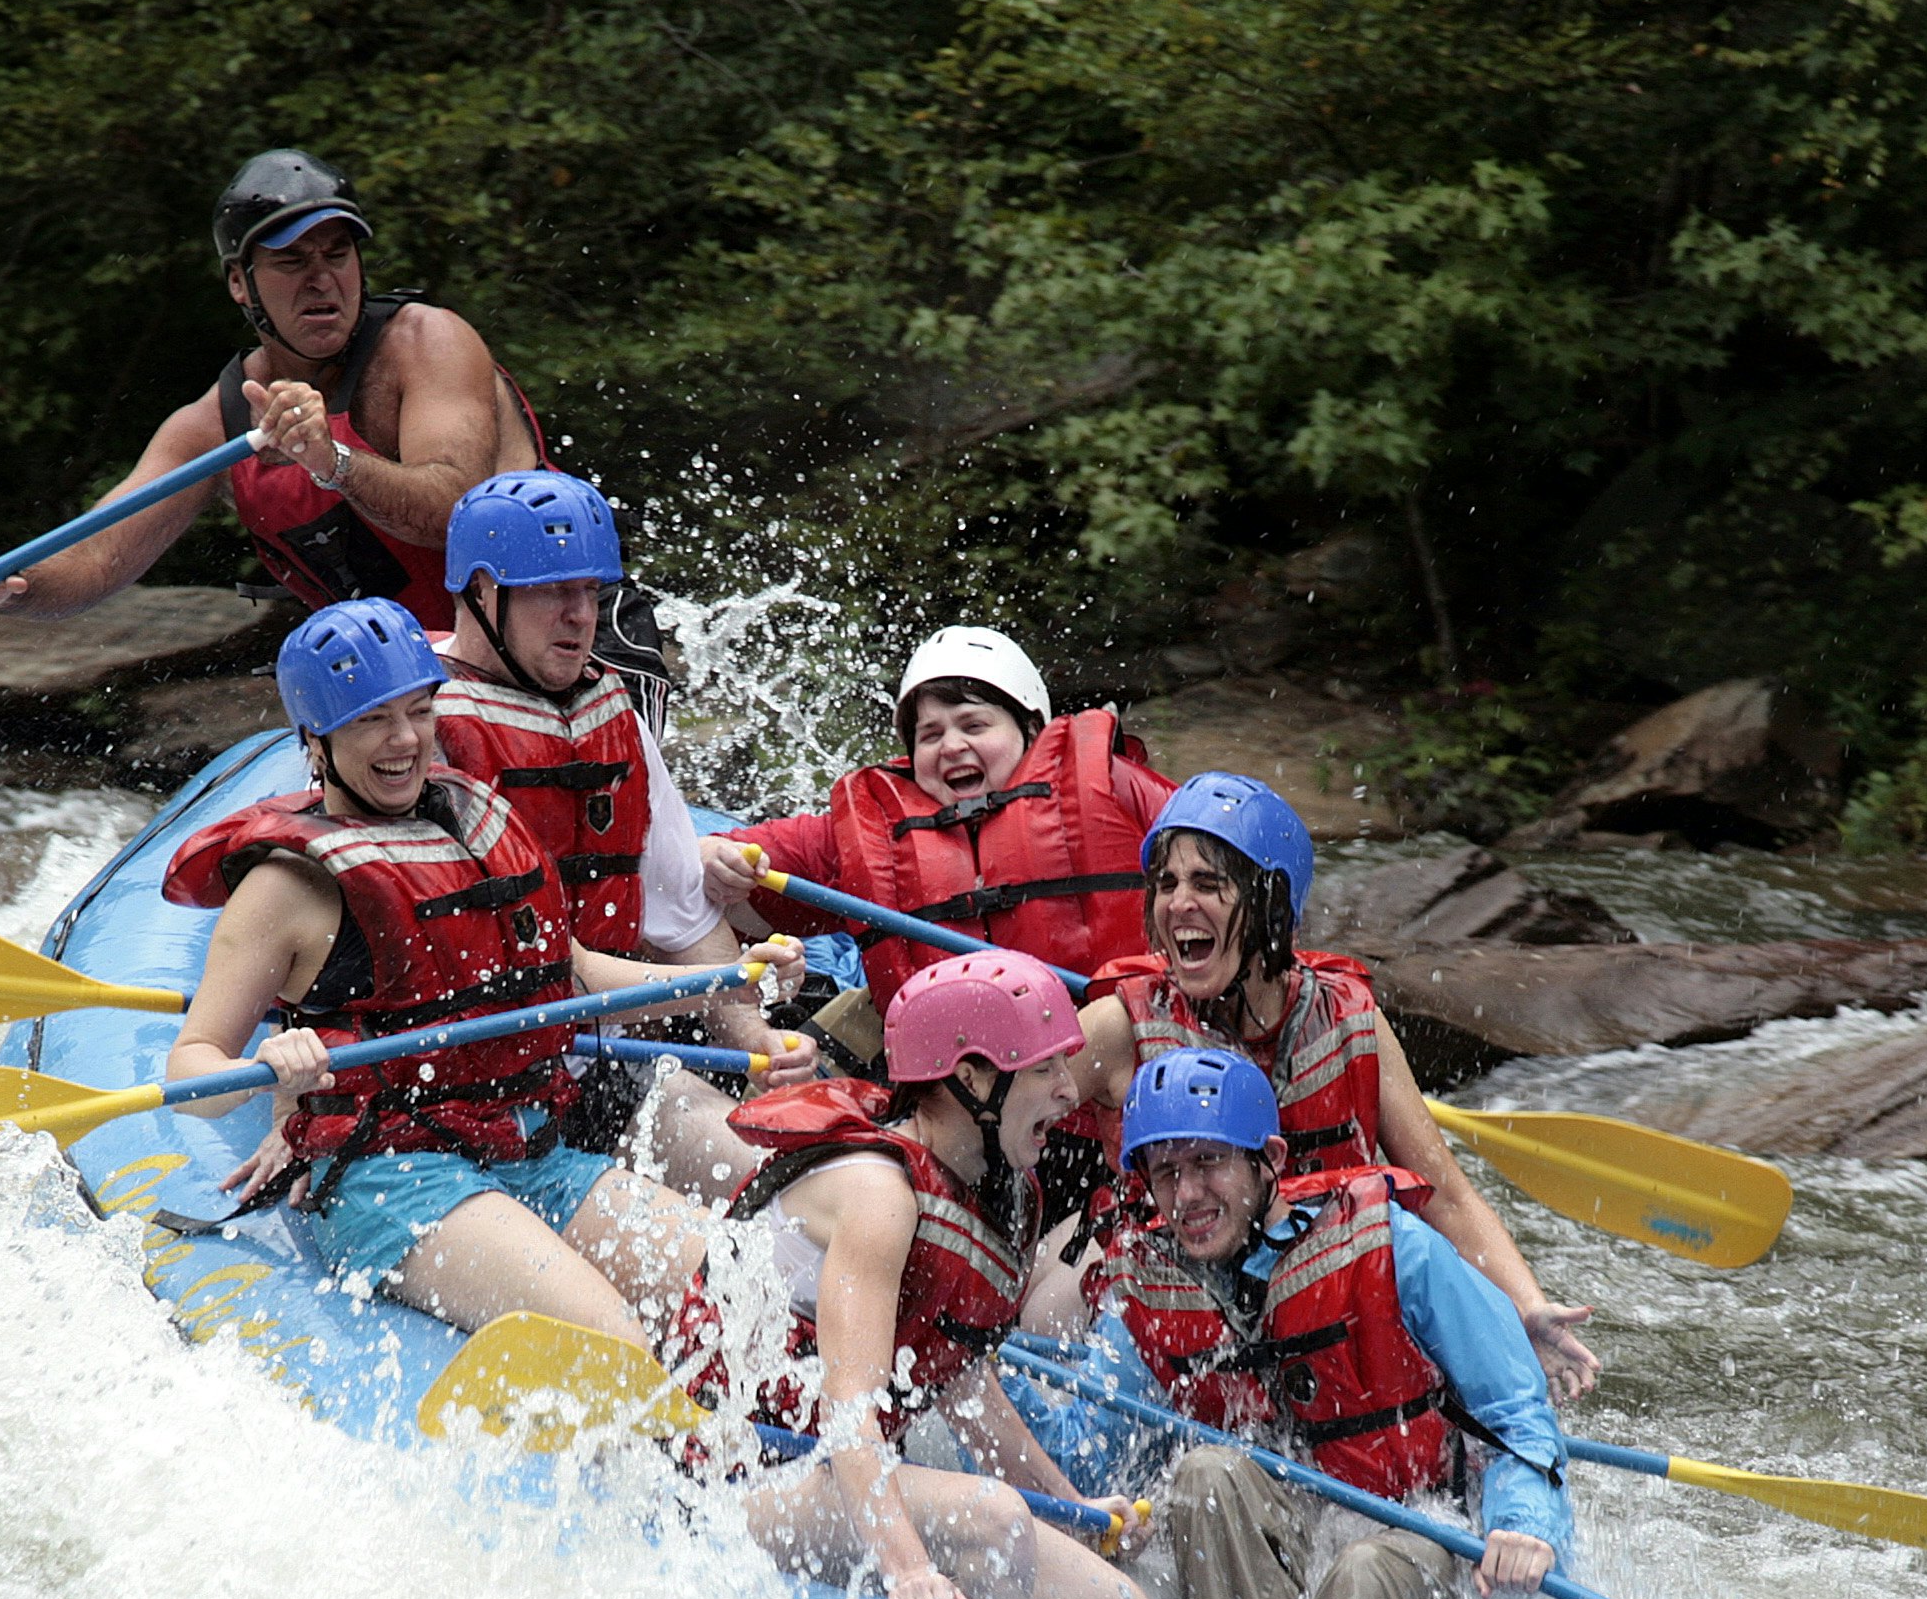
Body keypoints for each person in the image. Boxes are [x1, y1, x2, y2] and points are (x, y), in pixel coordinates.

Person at [156, 597, 787, 1344]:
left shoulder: (476, 818)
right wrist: (270, 1065)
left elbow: (571, 977)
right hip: (392, 1175)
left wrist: (727, 978)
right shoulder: (284, 889)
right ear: (315, 740)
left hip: (527, 1145)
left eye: (419, 713)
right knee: (616, 1340)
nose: (404, 741)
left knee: (752, 1294)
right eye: (370, 720)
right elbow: (190, 1072)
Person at [1063, 770, 1598, 1397]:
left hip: (1322, 1309)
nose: (1178, 902)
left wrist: (1525, 1310)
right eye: (1167, 883)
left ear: (1268, 903)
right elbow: (1001, 1119)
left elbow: (1444, 1196)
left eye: (1207, 883)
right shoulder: (1120, 1027)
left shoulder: (1349, 1022)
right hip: (1171, 1298)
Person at [669, 950, 1145, 1599]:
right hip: (734, 1480)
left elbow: (960, 1383)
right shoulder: (878, 1196)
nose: (1071, 1091)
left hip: (833, 1478)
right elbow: (845, 1412)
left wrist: (1073, 1509)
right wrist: (908, 1570)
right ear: (973, 1079)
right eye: (1044, 1069)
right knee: (995, 1518)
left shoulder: (993, 1187)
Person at [0, 149, 546, 628]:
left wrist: (333, 462)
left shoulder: (428, 344)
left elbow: (458, 514)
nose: (322, 280)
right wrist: (2, 584)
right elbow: (96, 560)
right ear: (240, 284)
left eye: (337, 254)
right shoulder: (213, 423)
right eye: (292, 262)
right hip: (410, 684)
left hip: (551, 644)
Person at [1095, 1045, 1573, 1599]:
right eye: (1166, 1172)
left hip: (1415, 1529)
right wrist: (969, 1368)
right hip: (1285, 1533)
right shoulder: (1152, 1284)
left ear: (1268, 1159)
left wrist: (1524, 1525)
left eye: (1208, 1161)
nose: (1187, 1194)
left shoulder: (1392, 1246)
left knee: (1364, 1566)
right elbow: (1088, 1443)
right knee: (1204, 1475)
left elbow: (1514, 1408)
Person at [422, 470, 802, 1178]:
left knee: (782, 1173)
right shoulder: (414, 734)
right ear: (480, 591)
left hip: (602, 1053)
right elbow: (541, 970)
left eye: (590, 593)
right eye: (550, 590)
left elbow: (685, 922)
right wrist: (730, 982)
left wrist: (760, 1042)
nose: (579, 615)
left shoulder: (611, 713)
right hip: (475, 1067)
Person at [695, 627, 1173, 1026]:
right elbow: (705, 868)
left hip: (1097, 1059)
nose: (951, 746)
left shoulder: (1112, 790)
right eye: (930, 734)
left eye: (974, 725)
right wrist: (711, 859)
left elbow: (1229, 858)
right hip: (949, 1086)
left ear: (1031, 731)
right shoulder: (876, 829)